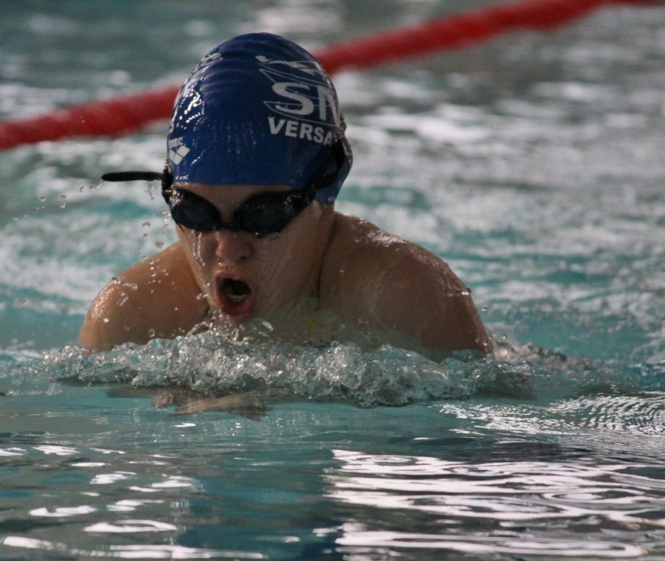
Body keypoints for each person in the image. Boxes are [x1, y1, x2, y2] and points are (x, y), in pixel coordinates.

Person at [79, 33, 492, 359]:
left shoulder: (405, 298)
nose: (228, 248)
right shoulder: (130, 318)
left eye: (262, 216)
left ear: (324, 190)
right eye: (196, 213)